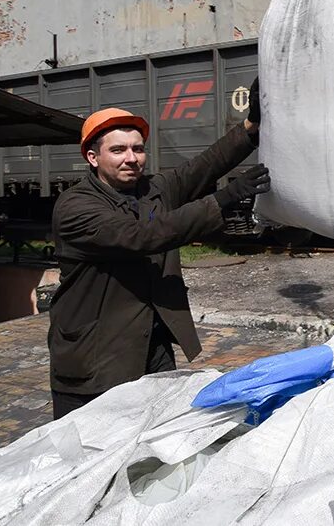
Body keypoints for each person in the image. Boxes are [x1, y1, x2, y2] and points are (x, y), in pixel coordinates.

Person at [48, 79, 271, 419]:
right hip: (96, 355)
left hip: (150, 344)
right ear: (92, 157)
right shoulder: (75, 206)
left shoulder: (152, 189)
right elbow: (143, 235)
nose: (132, 158)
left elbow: (204, 166)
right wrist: (222, 199)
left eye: (137, 149)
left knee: (151, 438)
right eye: (118, 150)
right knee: (89, 455)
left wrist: (251, 126)